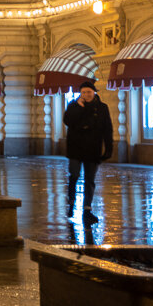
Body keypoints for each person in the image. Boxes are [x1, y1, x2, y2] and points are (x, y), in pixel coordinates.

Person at [63, 80, 113, 223]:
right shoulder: (73, 105)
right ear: (80, 93)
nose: (86, 95)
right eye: (83, 92)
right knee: (74, 176)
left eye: (89, 92)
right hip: (75, 148)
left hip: (93, 148)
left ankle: (87, 210)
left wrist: (108, 148)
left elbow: (107, 129)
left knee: (90, 180)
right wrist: (79, 107)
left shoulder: (102, 108)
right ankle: (71, 204)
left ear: (94, 92)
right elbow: (67, 120)